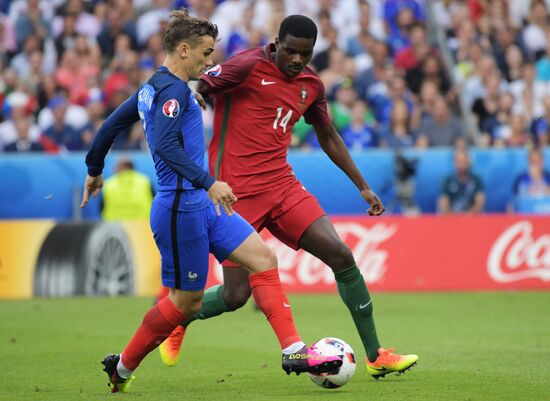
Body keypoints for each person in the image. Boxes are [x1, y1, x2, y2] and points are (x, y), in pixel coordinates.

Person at [80, 10, 341, 394]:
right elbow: (167, 146)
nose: (210, 61)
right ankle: (122, 365)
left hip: (204, 206)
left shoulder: (155, 86)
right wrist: (209, 182)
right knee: (186, 303)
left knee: (263, 260)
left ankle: (293, 349)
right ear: (183, 50)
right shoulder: (171, 92)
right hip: (179, 208)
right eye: (205, 53)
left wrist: (93, 168)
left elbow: (110, 126)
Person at [162, 14, 418, 379]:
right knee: (236, 296)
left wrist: (361, 184)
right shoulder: (248, 65)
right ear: (276, 43)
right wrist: (197, 96)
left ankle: (377, 355)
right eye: (291, 51)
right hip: (235, 195)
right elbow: (200, 84)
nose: (298, 60)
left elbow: (328, 135)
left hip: (282, 188)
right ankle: (177, 317)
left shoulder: (311, 84)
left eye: (306, 54)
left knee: (341, 255)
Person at [438, 147, 485, 214]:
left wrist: (469, 217)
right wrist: (453, 218)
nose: (461, 165)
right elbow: (443, 201)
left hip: (472, 217)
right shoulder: (448, 180)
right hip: (452, 218)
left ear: (468, 162)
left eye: (463, 161)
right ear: (454, 163)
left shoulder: (476, 179)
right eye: (459, 161)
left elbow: (480, 200)